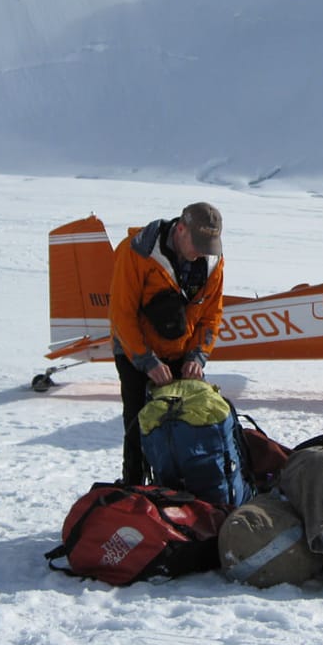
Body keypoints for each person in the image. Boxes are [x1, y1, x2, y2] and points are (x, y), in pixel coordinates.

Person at [109, 202, 225, 485]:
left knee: (191, 422)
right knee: (138, 425)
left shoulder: (212, 261)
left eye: (208, 247)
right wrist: (147, 361)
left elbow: (211, 315)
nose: (202, 253)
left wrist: (197, 356)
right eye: (198, 245)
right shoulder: (137, 252)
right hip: (135, 350)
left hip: (182, 351)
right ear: (180, 229)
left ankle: (182, 488)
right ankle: (134, 485)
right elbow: (122, 315)